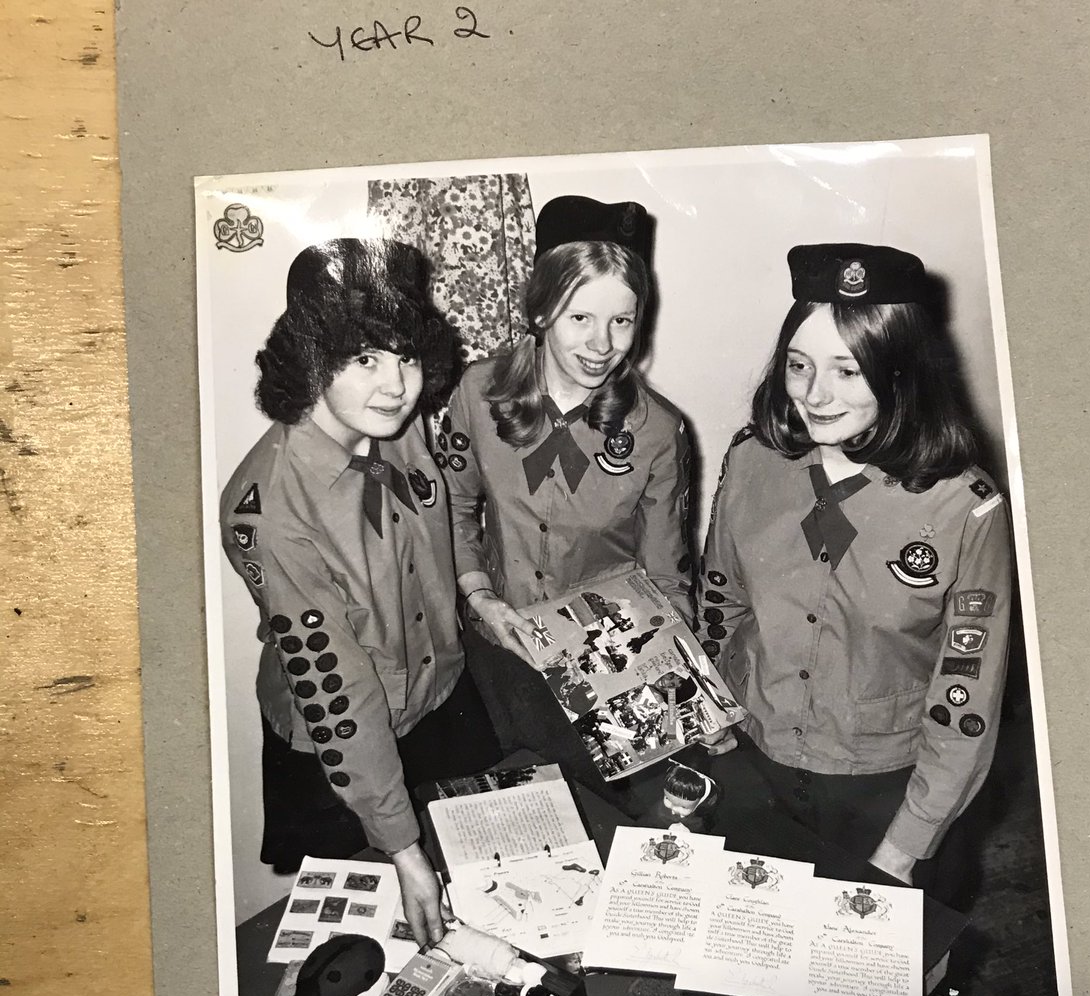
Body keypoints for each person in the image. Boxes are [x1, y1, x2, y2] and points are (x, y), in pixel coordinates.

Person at [700, 243, 1012, 890]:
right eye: (799, 366)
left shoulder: (966, 507)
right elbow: (721, 604)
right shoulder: (751, 462)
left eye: (848, 371)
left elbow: (966, 690)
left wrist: (907, 844)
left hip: (885, 789)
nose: (815, 395)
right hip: (754, 759)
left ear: (901, 372)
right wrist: (714, 726)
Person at [219, 238, 501, 947]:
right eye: (364, 358)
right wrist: (402, 847)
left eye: (406, 356)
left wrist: (478, 595)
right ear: (311, 360)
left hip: (439, 700)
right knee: (367, 947)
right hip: (342, 747)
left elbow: (445, 523)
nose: (395, 385)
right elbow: (337, 690)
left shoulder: (396, 425)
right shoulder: (269, 511)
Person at [441, 194, 694, 660]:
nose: (602, 344)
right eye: (580, 318)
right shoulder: (479, 392)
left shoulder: (658, 430)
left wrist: (675, 674)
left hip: (607, 656)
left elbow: (666, 578)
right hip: (497, 633)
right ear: (541, 312)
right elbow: (451, 509)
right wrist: (481, 598)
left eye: (621, 321)